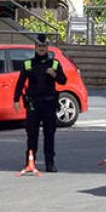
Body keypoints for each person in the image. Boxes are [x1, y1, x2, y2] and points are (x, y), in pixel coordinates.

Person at [13, 33, 67, 172]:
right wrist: (16, 100)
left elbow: (63, 81)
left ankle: (50, 163)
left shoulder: (54, 64)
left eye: (44, 46)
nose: (41, 48)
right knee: (32, 134)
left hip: (49, 103)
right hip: (33, 104)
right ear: (35, 47)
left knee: (49, 134)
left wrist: (54, 74)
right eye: (39, 46)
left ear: (47, 47)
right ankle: (30, 162)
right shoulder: (28, 64)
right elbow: (20, 83)